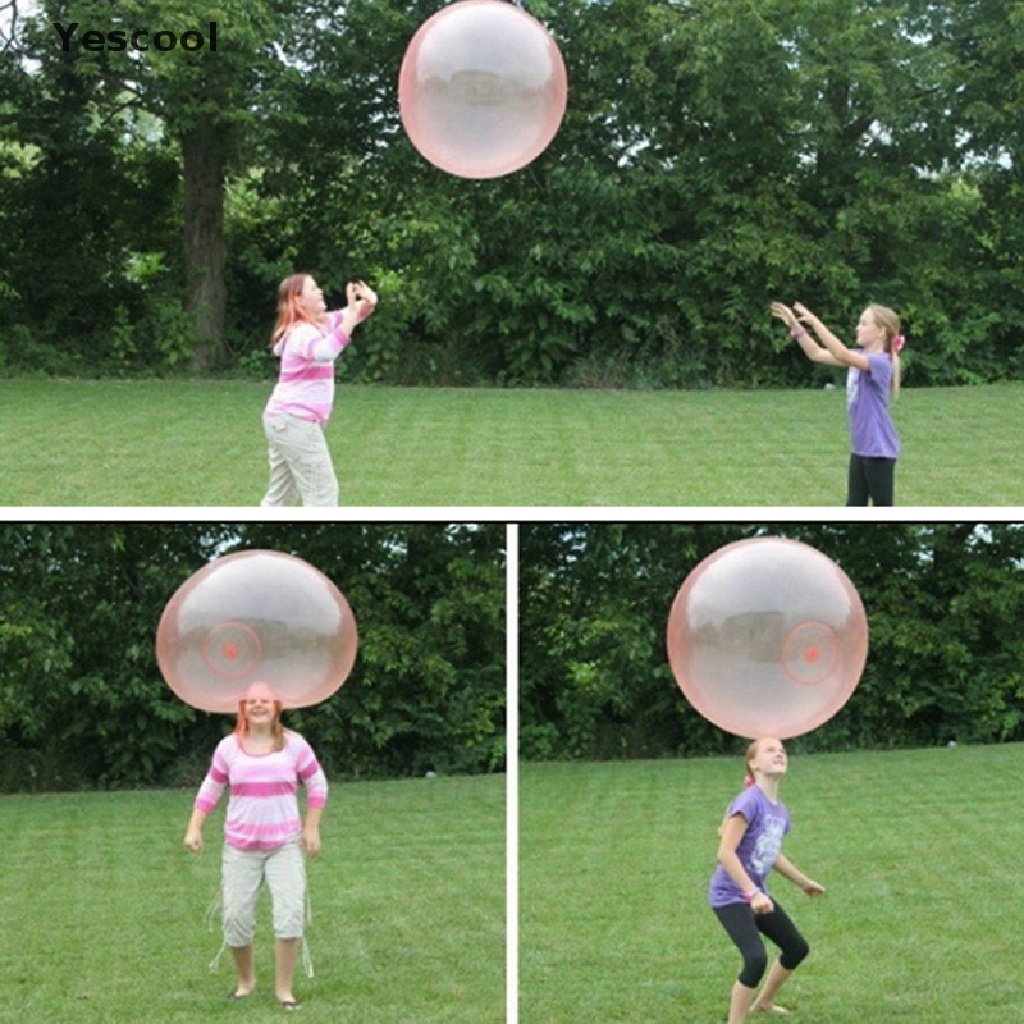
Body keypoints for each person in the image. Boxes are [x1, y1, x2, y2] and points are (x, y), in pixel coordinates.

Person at [184, 682, 328, 1010]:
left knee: (290, 914)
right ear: (243, 708)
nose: (258, 705)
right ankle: (245, 981)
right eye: (251, 701)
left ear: (277, 706)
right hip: (240, 848)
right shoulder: (228, 748)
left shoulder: (294, 745)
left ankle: (284, 990)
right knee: (235, 918)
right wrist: (194, 826)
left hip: (284, 845)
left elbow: (317, 783)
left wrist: (311, 827)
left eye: (265, 700)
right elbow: (211, 788)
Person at [709, 737, 825, 1023]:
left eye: (782, 750)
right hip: (730, 896)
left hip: (755, 894)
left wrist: (803, 882)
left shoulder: (779, 811)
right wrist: (752, 893)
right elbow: (725, 852)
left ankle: (764, 1003)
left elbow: (771, 854)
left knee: (796, 948)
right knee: (755, 959)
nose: (779, 753)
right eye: (770, 750)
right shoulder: (749, 802)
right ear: (753, 763)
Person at [261, 273, 378, 507]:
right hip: (295, 422)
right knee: (323, 495)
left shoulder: (319, 324)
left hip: (283, 421)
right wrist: (354, 314)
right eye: (313, 289)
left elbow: (349, 316)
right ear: (298, 301)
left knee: (281, 497)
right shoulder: (302, 332)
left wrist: (368, 303)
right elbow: (325, 352)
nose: (320, 291)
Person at [771, 301, 904, 506]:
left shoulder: (881, 362)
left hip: (879, 450)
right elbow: (816, 353)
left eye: (863, 323)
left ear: (880, 332)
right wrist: (795, 326)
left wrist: (815, 321)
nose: (857, 327)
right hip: (861, 449)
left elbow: (841, 353)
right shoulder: (860, 356)